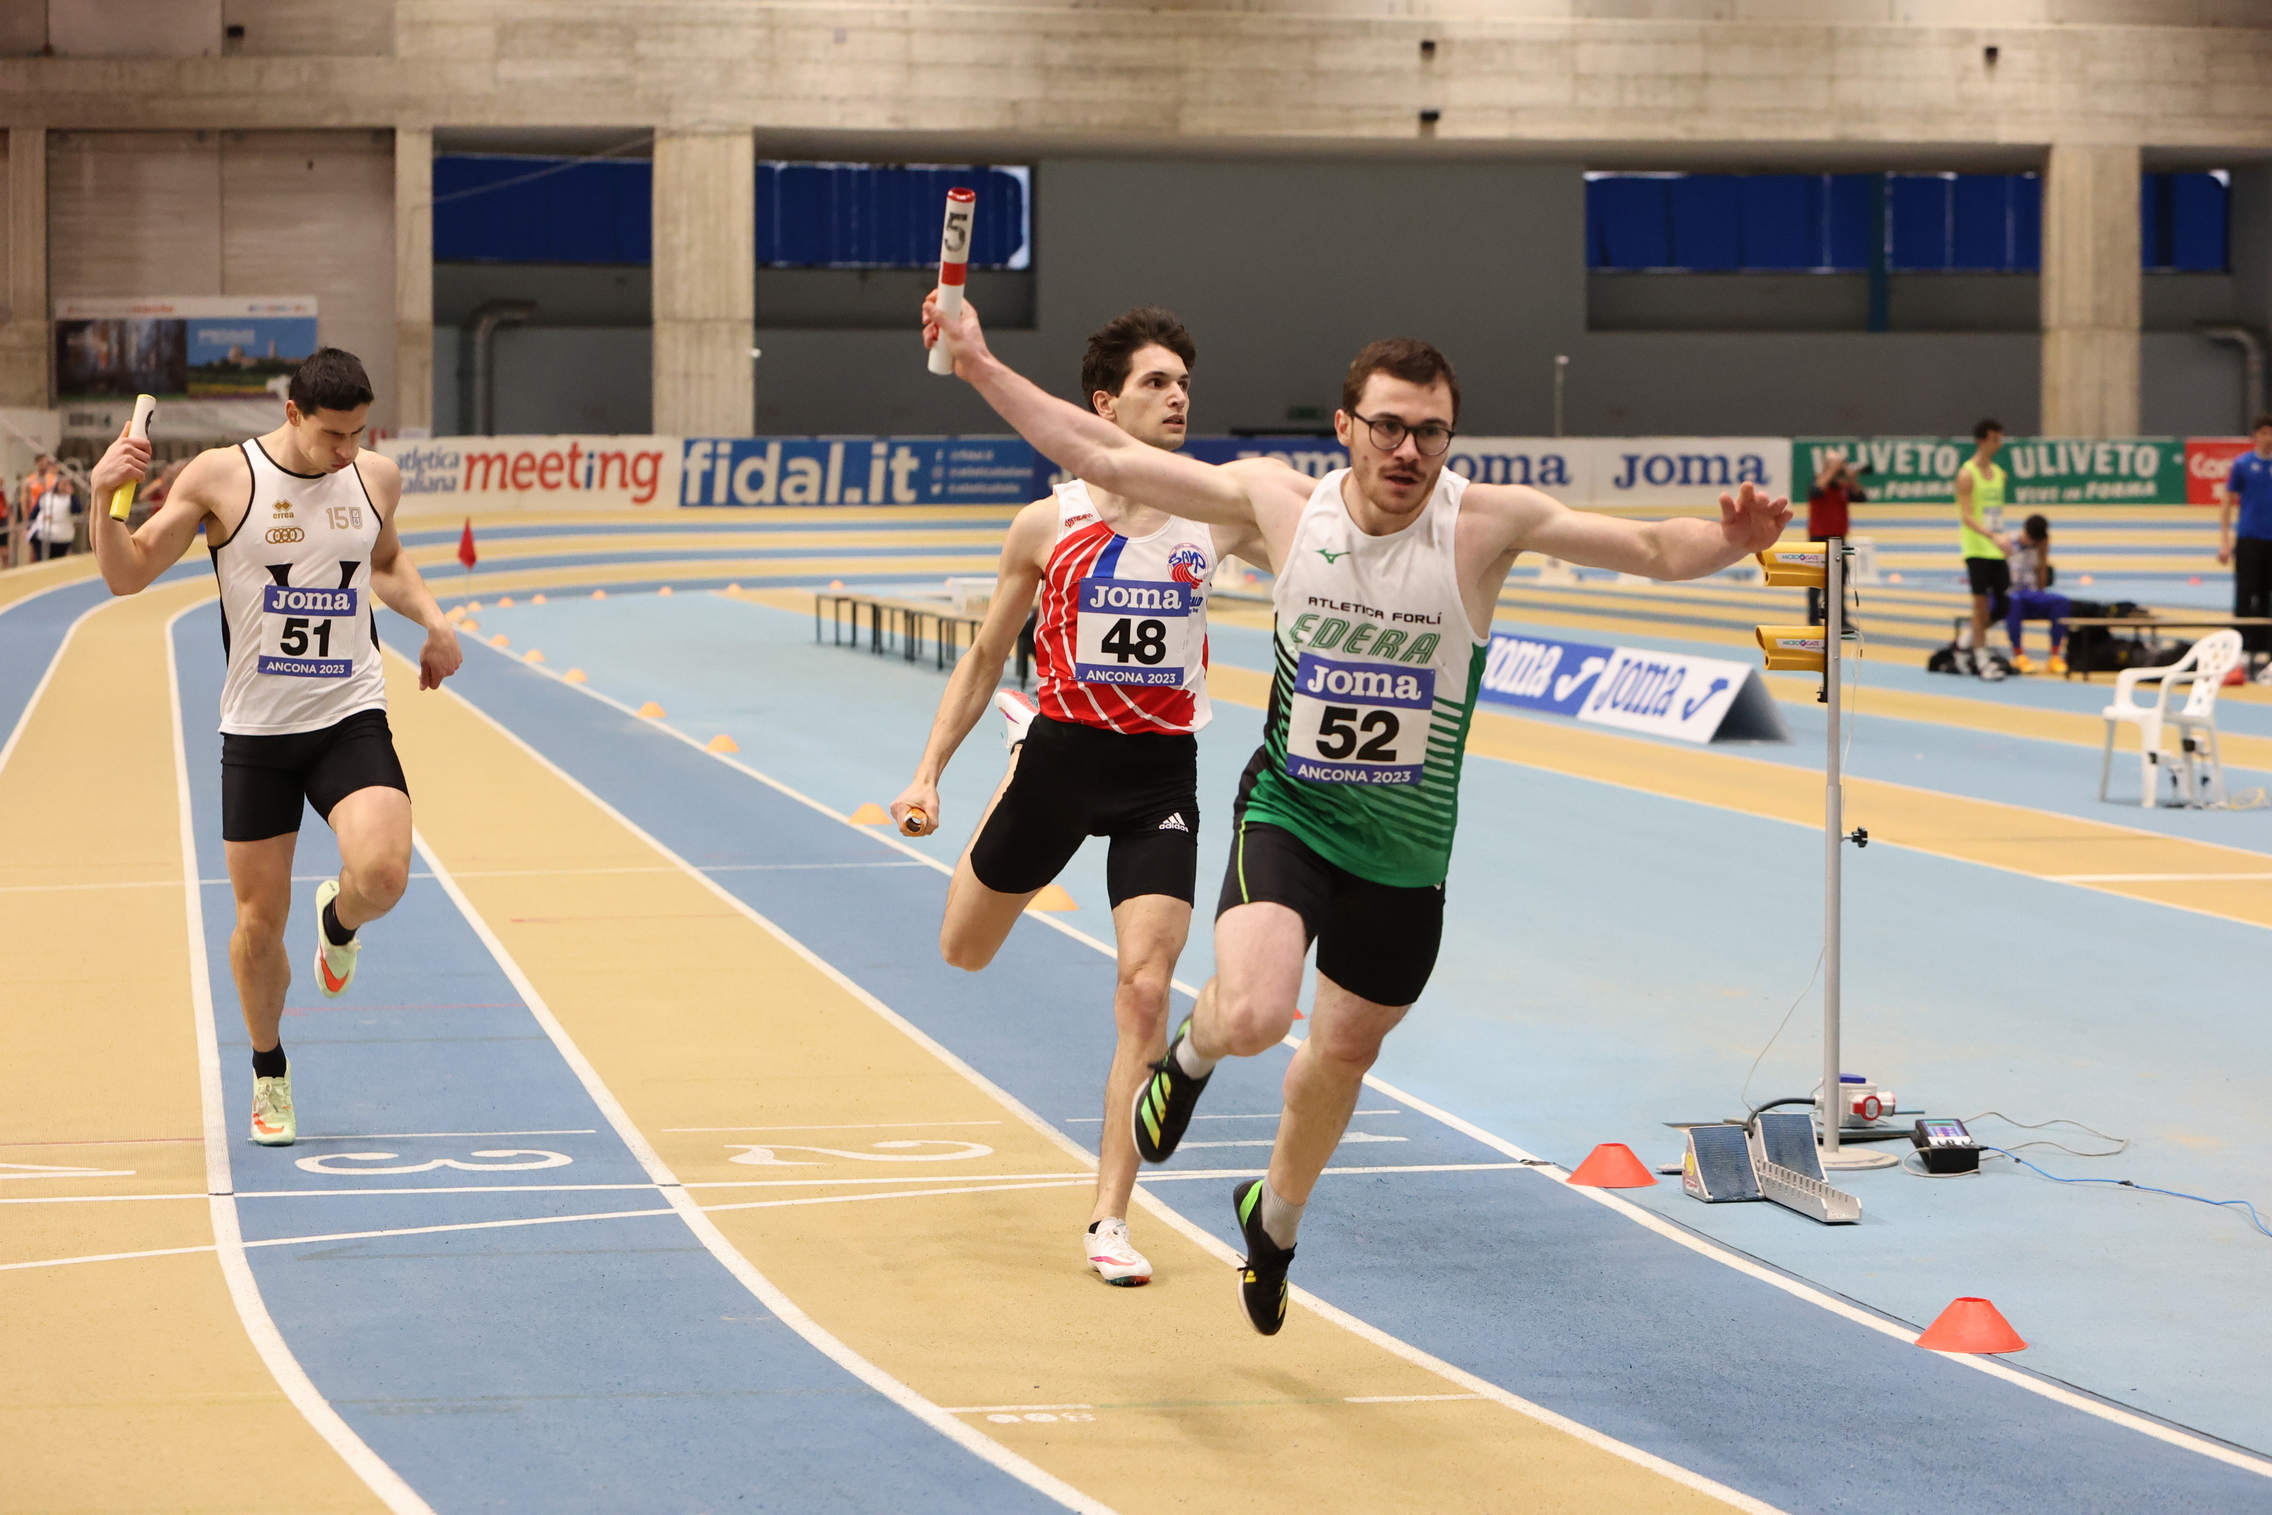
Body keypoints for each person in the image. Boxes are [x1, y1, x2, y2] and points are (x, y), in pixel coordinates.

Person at [922, 293, 1788, 1335]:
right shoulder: (1280, 505)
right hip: (1290, 813)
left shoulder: (1487, 524)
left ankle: (1274, 1224)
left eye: (1430, 431)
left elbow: (1648, 546)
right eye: (1387, 426)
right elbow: (1100, 457)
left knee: (1340, 1056)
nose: (1407, 450)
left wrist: (1731, 541)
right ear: (1346, 427)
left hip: (1406, 852)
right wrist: (977, 362)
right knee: (1253, 1013)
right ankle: (1188, 1061)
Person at [889, 308, 1263, 1288]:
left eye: (1184, 382)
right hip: (1055, 764)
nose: (1177, 396)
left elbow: (1325, 557)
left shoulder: (1218, 517)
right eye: (1154, 382)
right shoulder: (1045, 526)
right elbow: (983, 657)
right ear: (1103, 404)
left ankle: (1110, 1218)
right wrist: (929, 771)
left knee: (1145, 991)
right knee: (962, 951)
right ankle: (1014, 761)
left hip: (1159, 777)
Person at [88, 348, 462, 1147]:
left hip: (348, 713)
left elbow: (385, 561)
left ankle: (339, 920)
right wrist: (101, 501)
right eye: (334, 436)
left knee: (385, 874)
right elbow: (127, 574)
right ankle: (269, 1068)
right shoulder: (223, 478)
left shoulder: (375, 478)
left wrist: (433, 619)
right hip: (259, 733)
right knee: (259, 928)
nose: (348, 451)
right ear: (293, 414)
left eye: (360, 433)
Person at [1955, 418, 2010, 681]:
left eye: (2000, 439)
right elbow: (1967, 516)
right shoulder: (1966, 475)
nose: (1998, 444)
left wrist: (2003, 538)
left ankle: (1965, 641)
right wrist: (1991, 536)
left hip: (1996, 547)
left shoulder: (2000, 474)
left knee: (2003, 605)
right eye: (1994, 439)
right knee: (1980, 605)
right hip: (1976, 547)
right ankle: (1981, 659)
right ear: (1981, 440)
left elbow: (1995, 513)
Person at [2218, 412, 2272, 669]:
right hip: (2249, 537)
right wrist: (2224, 540)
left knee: (2267, 595)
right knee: (2244, 593)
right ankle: (2239, 647)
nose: (2269, 438)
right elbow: (2227, 500)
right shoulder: (2242, 464)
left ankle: (2263, 647)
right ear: (2255, 436)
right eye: (2264, 433)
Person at [1805, 448, 1865, 626]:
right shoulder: (1818, 481)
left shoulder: (1842, 486)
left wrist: (1852, 478)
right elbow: (1815, 491)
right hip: (1819, 538)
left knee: (1839, 581)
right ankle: (1813, 620)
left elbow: (1861, 497)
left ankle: (1840, 619)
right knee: (1815, 582)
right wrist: (1831, 468)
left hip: (1839, 539)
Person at [2005, 514, 2069, 676]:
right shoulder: (2007, 542)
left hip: (2030, 594)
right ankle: (2019, 655)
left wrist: (2041, 595)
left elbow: (2042, 573)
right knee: (2014, 601)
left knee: (2061, 602)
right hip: (2008, 595)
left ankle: (2055, 656)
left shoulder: (2041, 543)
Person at [30, 467, 79, 561]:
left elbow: (77, 510)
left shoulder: (70, 499)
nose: (64, 486)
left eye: (67, 484)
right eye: (63, 484)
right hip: (45, 536)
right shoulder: (46, 496)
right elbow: (34, 514)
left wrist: (72, 495)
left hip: (63, 537)